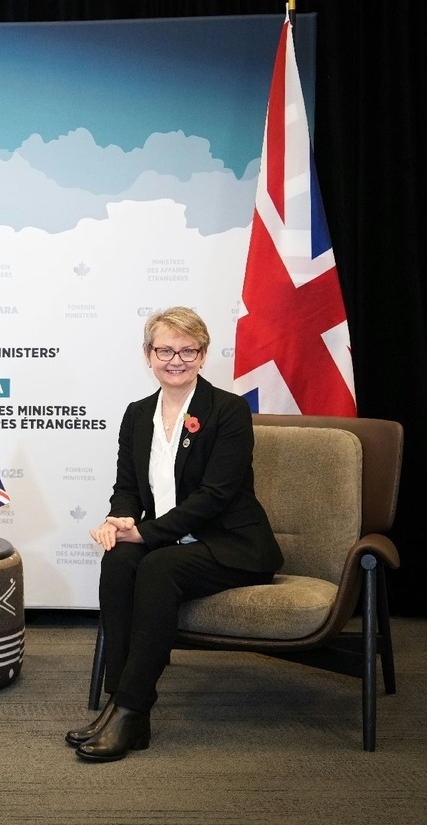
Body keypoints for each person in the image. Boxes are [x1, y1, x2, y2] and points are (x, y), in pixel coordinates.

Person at [67, 306, 283, 762]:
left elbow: (215, 496)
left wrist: (145, 534)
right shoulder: (137, 414)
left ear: (203, 355)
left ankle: (131, 708)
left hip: (232, 543)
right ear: (148, 355)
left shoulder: (228, 410)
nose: (176, 359)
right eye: (165, 349)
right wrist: (121, 520)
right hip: (169, 538)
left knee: (158, 566)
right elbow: (126, 487)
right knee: (118, 559)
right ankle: (121, 707)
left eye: (188, 350)